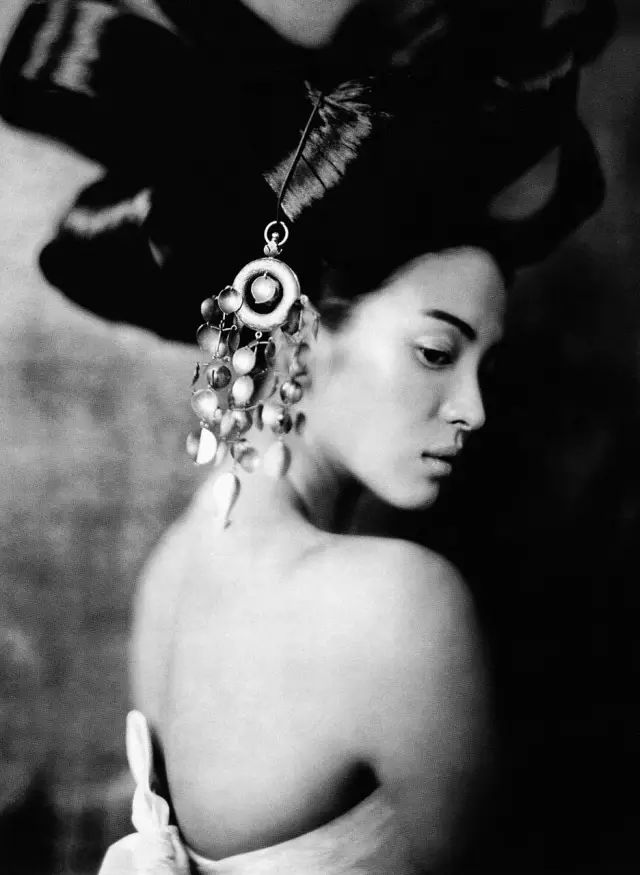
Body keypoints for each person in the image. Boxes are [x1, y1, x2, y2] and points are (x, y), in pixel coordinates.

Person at [0, 1, 615, 872]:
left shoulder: (172, 570)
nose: (475, 408)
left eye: (486, 362)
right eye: (437, 352)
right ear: (299, 333)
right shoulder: (400, 603)